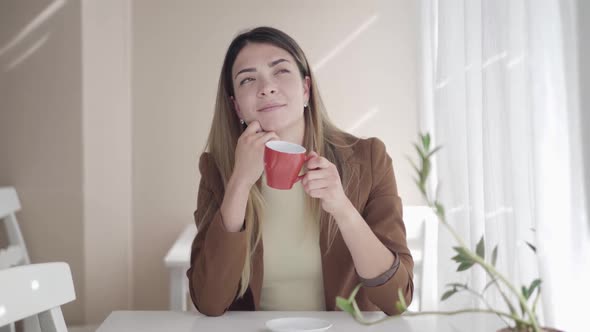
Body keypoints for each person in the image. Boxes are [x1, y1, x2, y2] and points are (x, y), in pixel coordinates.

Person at [186, 26, 413, 317]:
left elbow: (397, 299)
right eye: (247, 80)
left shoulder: (369, 159)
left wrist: (343, 209)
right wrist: (240, 183)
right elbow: (209, 302)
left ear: (306, 88)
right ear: (237, 107)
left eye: (280, 71)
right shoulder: (217, 170)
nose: (266, 87)